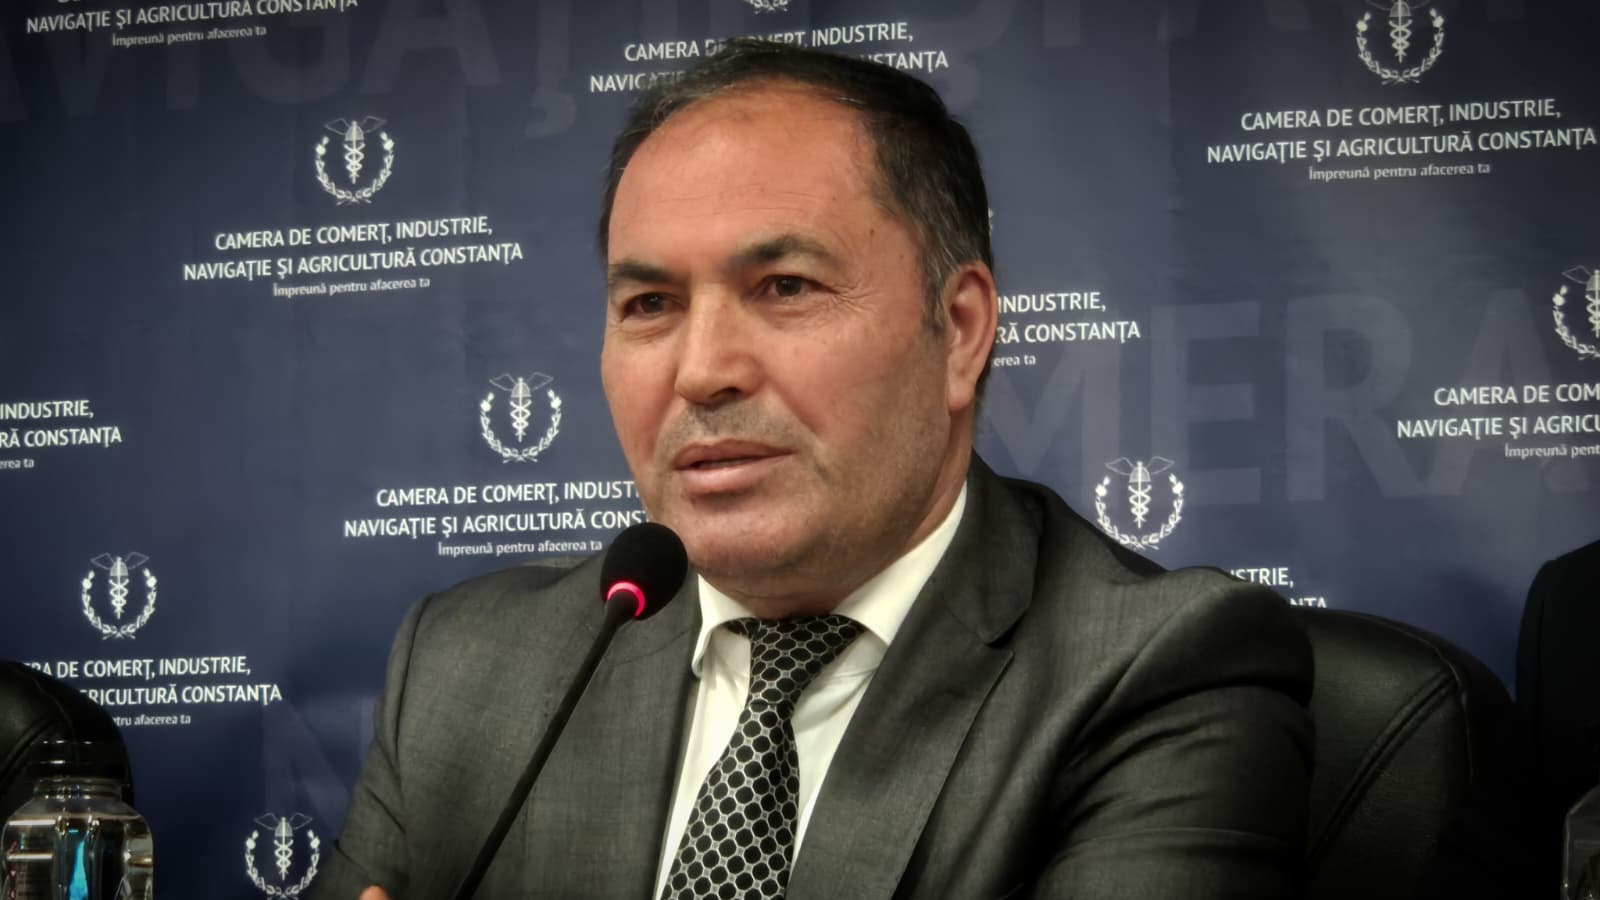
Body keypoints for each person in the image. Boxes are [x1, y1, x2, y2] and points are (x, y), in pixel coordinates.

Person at [315, 39, 1312, 900]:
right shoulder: (466, 669)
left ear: (960, 331)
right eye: (650, 306)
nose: (702, 371)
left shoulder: (1162, 674)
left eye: (785, 287)